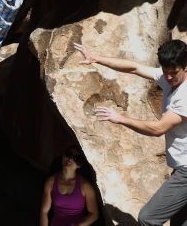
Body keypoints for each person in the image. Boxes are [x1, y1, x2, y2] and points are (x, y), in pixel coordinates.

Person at [74, 39, 187, 225]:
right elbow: (134, 67)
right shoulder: (170, 77)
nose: (167, 77)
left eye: (173, 73)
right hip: (181, 165)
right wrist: (96, 58)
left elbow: (158, 129)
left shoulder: (185, 95)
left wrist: (121, 119)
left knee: (148, 218)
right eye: (165, 72)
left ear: (185, 66)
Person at [39, 145, 99, 226]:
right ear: (63, 156)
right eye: (68, 154)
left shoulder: (86, 186)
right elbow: (44, 211)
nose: (70, 159)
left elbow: (94, 214)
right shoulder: (51, 182)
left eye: (76, 158)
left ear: (79, 165)